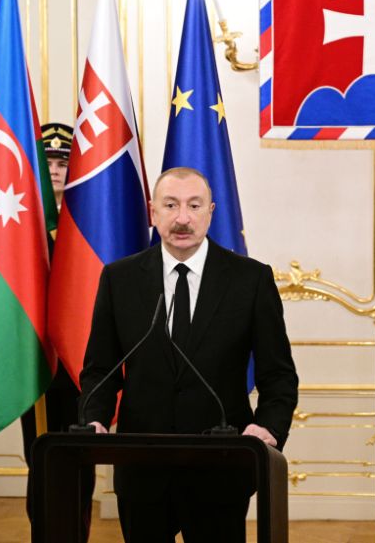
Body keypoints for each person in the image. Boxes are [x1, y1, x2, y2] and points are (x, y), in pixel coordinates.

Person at [79, 166, 299, 543]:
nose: (182, 218)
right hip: (142, 470)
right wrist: (93, 419)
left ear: (210, 212)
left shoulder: (250, 279)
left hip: (222, 469)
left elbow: (278, 375)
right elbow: (100, 369)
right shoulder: (119, 278)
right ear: (152, 212)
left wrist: (268, 428)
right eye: (170, 205)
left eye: (194, 206)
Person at [20, 122, 94, 543]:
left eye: (63, 162)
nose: (54, 170)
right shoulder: (22, 226)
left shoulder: (91, 223)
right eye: (47, 162)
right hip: (35, 359)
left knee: (81, 459)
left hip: (83, 361)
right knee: (41, 459)